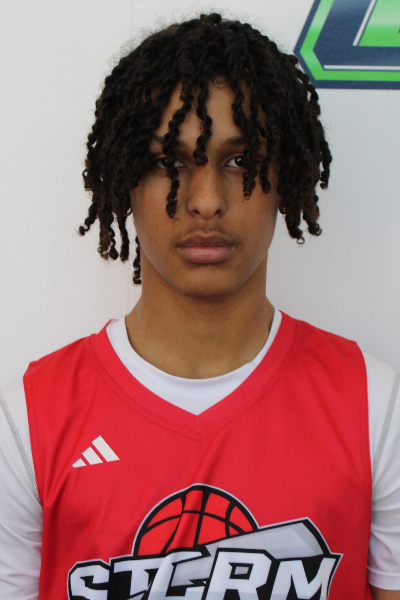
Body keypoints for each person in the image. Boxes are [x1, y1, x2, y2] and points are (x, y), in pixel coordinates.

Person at [0, 12, 399, 600]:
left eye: (240, 161)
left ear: (285, 175)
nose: (206, 201)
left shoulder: (374, 406)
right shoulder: (29, 420)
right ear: (125, 179)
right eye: (170, 162)